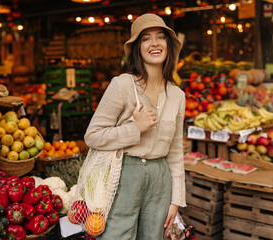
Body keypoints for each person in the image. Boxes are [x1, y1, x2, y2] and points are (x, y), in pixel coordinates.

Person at [84, 13, 186, 239]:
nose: (155, 43)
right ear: (137, 48)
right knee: (116, 236)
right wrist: (134, 128)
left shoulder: (178, 95)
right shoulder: (122, 85)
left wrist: (176, 200)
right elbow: (92, 136)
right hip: (124, 175)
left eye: (160, 37)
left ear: (168, 45)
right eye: (146, 39)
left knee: (153, 236)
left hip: (160, 178)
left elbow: (176, 152)